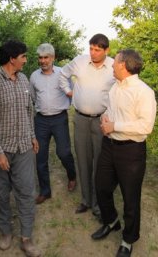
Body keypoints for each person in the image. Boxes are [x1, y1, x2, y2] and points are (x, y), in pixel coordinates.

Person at [91, 49, 157, 257]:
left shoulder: (143, 91)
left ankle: (128, 240)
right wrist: (105, 118)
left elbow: (146, 126)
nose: (111, 65)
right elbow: (110, 111)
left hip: (131, 151)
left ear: (123, 65)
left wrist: (115, 126)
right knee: (101, 186)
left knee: (130, 198)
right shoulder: (115, 87)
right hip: (109, 146)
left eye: (115, 62)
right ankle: (111, 222)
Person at [0, 40, 41, 257]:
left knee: (26, 191)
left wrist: (32, 136)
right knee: (1, 193)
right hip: (2, 149)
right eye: (23, 56)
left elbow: (28, 111)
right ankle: (6, 231)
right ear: (11, 59)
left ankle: (26, 238)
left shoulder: (23, 79)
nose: (26, 60)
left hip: (24, 146)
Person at [59, 33, 115, 218]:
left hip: (101, 121)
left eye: (97, 50)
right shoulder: (80, 61)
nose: (93, 53)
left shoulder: (114, 66)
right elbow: (62, 74)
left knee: (100, 163)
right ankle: (85, 200)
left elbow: (120, 91)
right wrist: (69, 91)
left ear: (106, 50)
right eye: (91, 48)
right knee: (83, 160)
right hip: (81, 119)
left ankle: (98, 203)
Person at [30, 43, 77, 205]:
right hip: (41, 120)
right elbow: (33, 97)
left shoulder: (63, 74)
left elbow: (72, 93)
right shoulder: (34, 76)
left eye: (46, 57)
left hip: (59, 119)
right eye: (40, 58)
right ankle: (45, 191)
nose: (43, 61)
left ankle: (72, 176)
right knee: (40, 156)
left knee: (63, 152)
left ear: (53, 58)